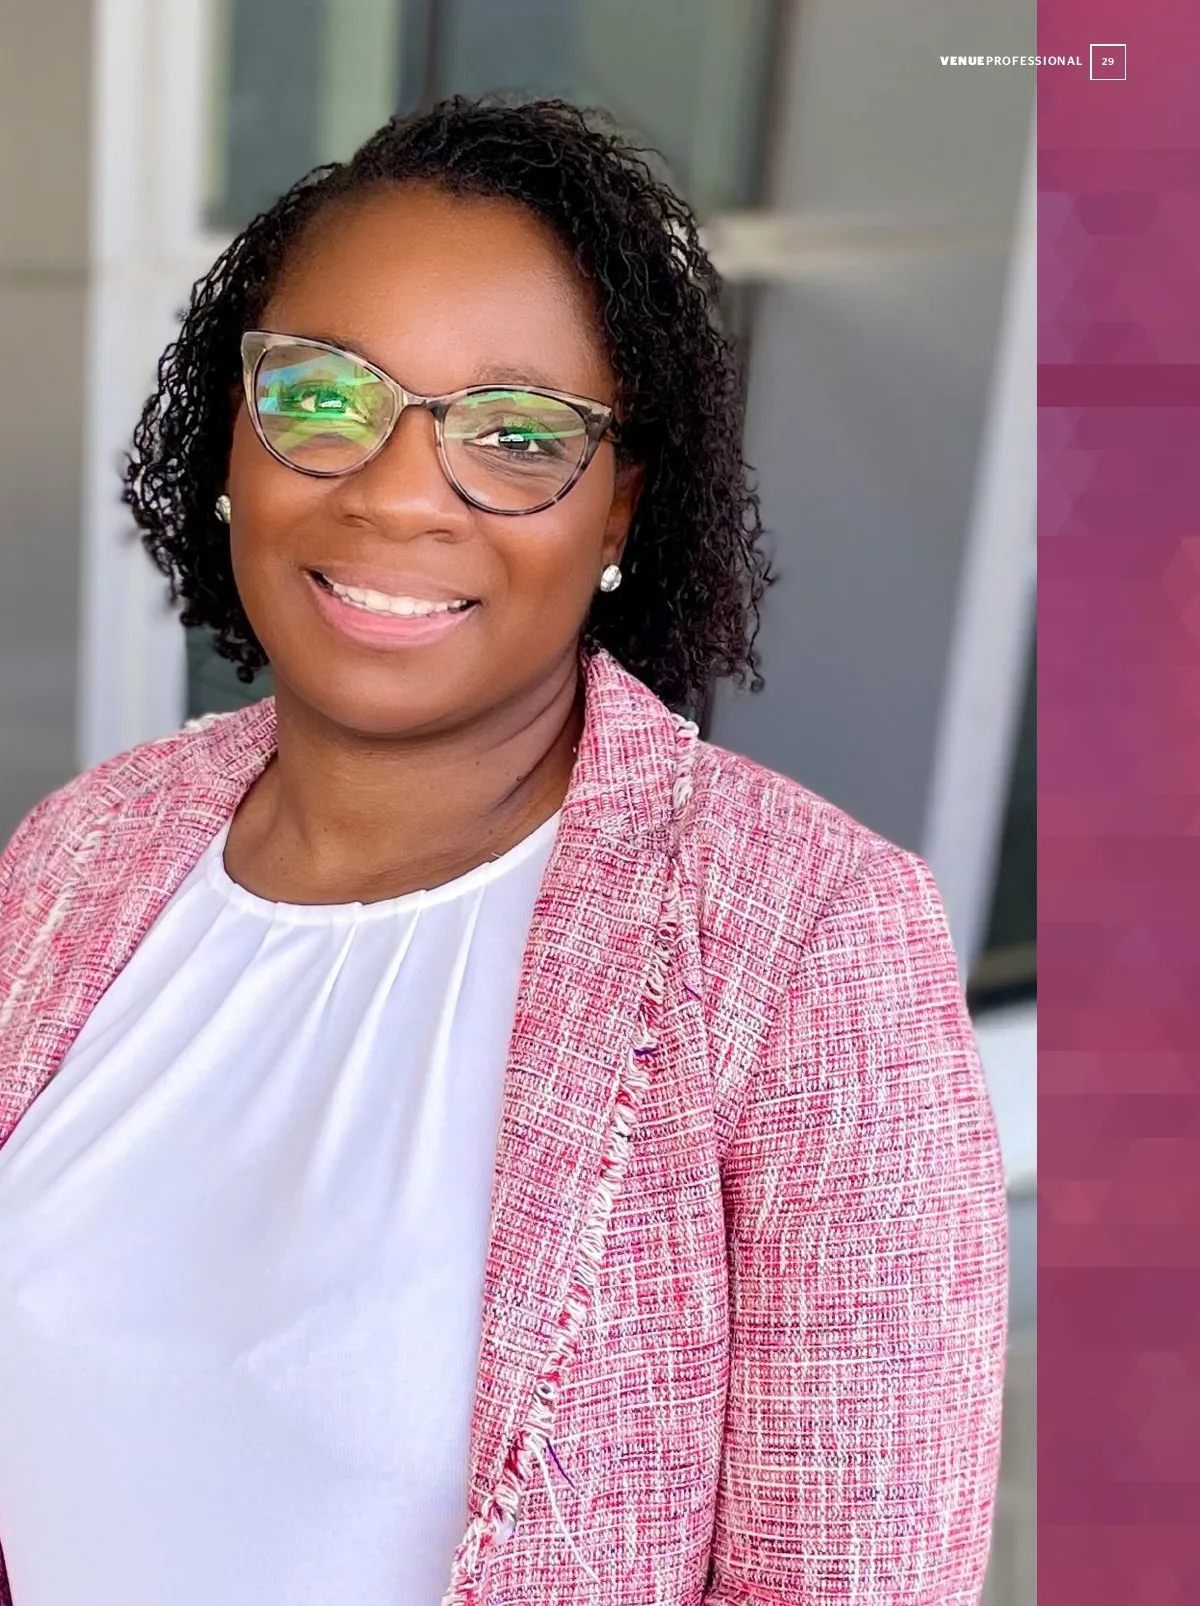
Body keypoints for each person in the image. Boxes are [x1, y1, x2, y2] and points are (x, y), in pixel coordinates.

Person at [0, 96, 1007, 1606]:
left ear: (618, 512)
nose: (399, 491)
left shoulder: (804, 938)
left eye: (519, 436)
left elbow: (853, 1571)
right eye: (323, 397)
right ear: (233, 439)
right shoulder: (86, 847)